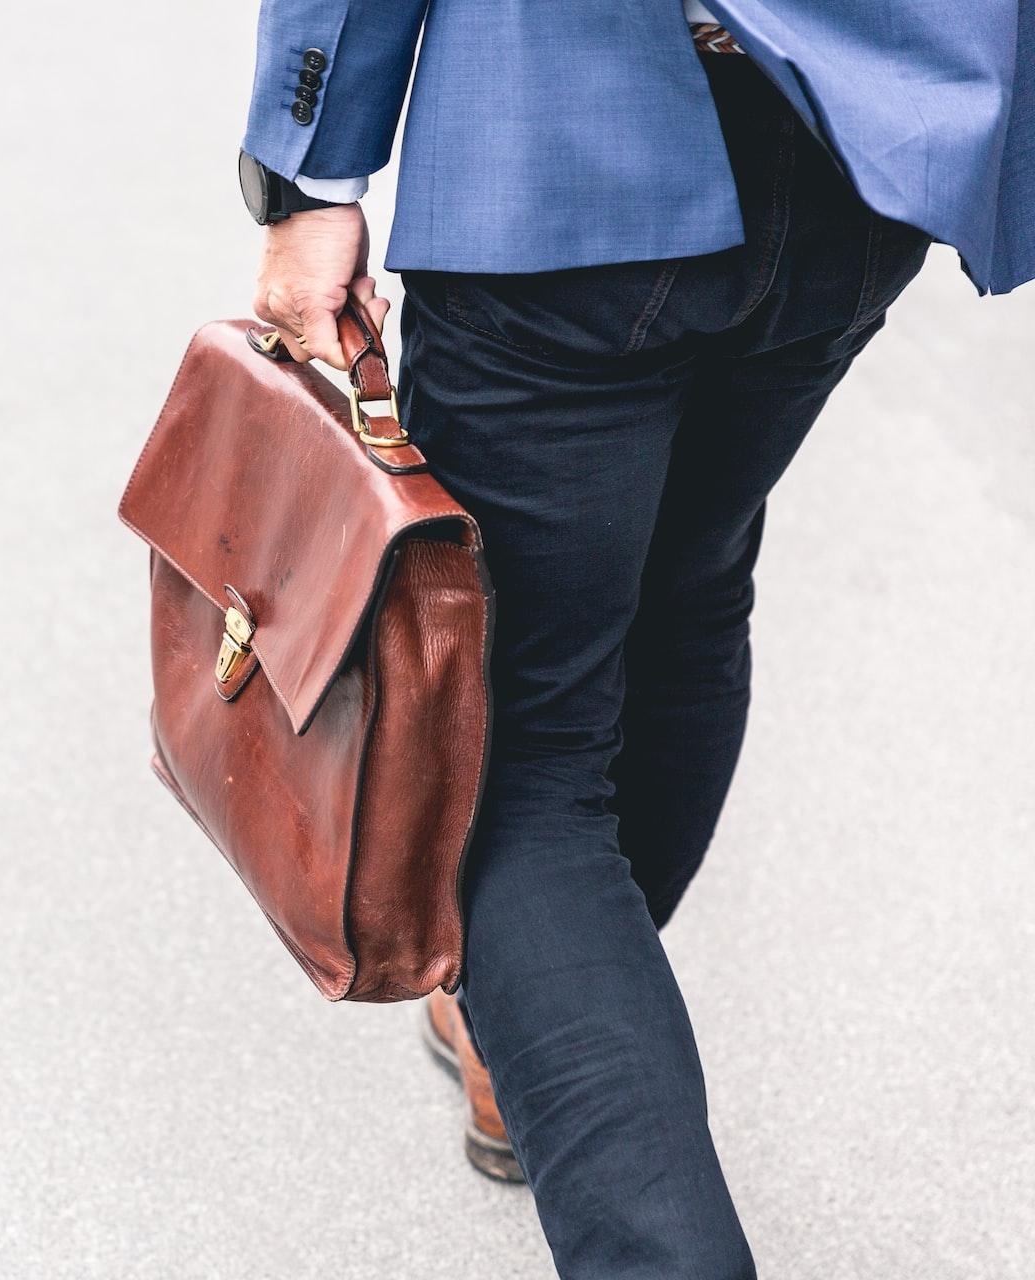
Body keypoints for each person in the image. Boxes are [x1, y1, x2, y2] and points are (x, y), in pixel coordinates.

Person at [236, 3, 1034, 1277]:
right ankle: (536, 1027)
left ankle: (571, 1072)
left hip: (564, 141)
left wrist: (311, 170)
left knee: (516, 752)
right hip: (864, 151)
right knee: (688, 586)